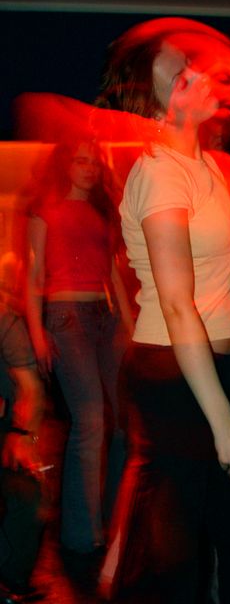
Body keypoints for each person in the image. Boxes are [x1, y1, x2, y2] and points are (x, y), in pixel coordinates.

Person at [97, 19, 230, 603]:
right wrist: (223, 424)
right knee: (173, 564)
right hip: (173, 374)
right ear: (157, 105)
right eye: (182, 76)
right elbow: (178, 306)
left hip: (221, 365)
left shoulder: (208, 167)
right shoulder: (159, 172)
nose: (200, 76)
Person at [24, 140, 134, 555]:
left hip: (105, 318)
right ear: (65, 165)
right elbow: (34, 276)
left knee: (121, 422)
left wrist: (129, 324)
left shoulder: (101, 212)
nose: (89, 168)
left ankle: (112, 520)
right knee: (90, 420)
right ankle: (82, 534)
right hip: (67, 316)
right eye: (80, 161)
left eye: (93, 162)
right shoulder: (46, 210)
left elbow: (113, 273)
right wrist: (37, 333)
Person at [0, 291, 46, 602]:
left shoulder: (5, 321)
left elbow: (31, 388)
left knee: (29, 492)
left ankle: (10, 576)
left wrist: (24, 435)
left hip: (6, 430)